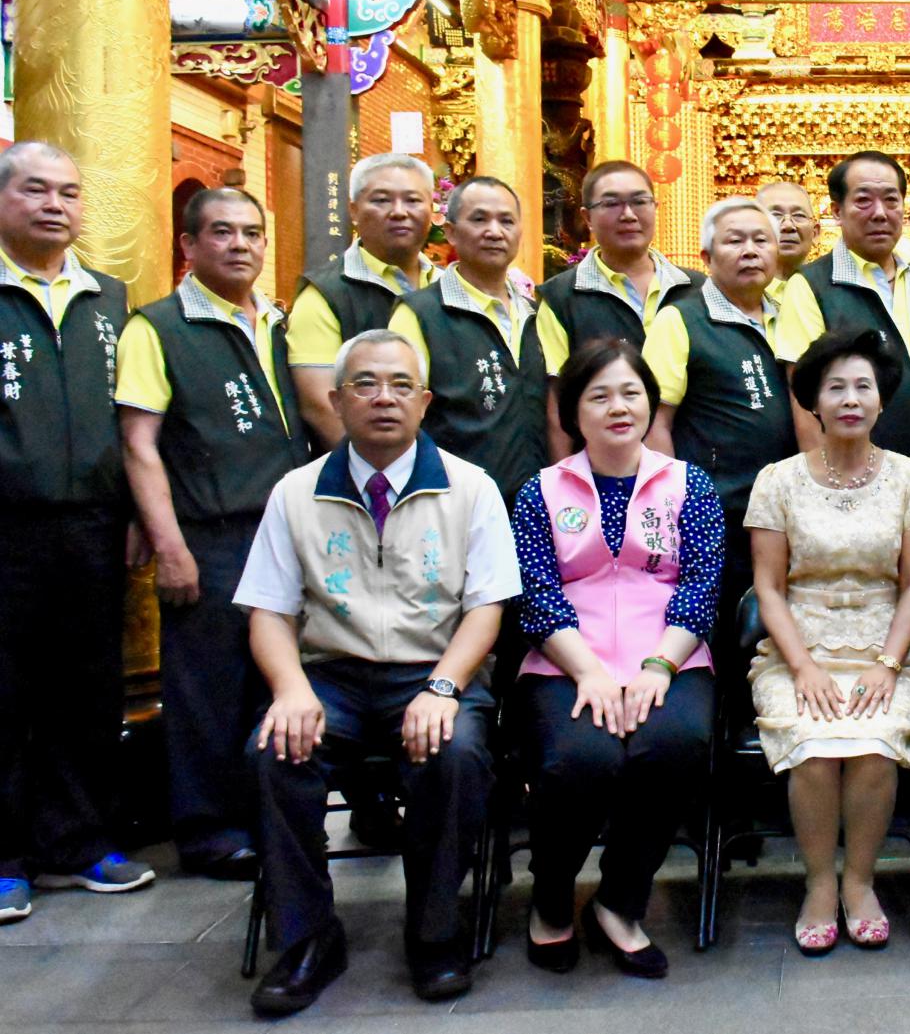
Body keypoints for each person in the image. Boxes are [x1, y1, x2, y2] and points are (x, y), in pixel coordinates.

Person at [236, 330, 519, 1012]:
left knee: (454, 753)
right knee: (271, 752)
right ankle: (306, 937)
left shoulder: (469, 487)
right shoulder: (296, 492)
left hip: (433, 665)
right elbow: (269, 611)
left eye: (400, 384)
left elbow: (487, 608)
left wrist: (444, 686)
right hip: (331, 672)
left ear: (425, 400)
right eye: (364, 383)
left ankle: (434, 932)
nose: (383, 398)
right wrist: (292, 688)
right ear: (336, 399)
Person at [513, 338, 723, 977]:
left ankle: (619, 901)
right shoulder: (540, 491)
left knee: (676, 742)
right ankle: (550, 899)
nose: (618, 407)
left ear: (651, 404)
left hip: (671, 653)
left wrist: (659, 666)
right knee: (583, 758)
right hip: (566, 659)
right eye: (599, 395)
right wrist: (591, 674)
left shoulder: (688, 483)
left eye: (631, 392)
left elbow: (703, 581)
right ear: (573, 412)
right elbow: (538, 592)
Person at [117, 187, 308, 881]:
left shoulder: (280, 324)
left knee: (274, 680)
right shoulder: (157, 328)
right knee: (207, 689)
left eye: (252, 232)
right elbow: (140, 443)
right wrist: (168, 544)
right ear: (189, 247)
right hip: (210, 533)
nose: (240, 244)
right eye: (221, 232)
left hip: (283, 529)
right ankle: (208, 829)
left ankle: (267, 816)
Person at [746, 329, 910, 954]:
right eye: (836, 388)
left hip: (888, 650)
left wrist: (889, 664)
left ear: (882, 399)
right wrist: (801, 667)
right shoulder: (777, 480)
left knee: (876, 744)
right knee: (814, 746)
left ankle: (859, 882)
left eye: (863, 387)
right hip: (798, 651)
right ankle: (819, 884)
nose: (851, 399)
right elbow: (769, 589)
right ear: (813, 402)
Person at [0, 142, 151, 926]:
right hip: (8, 524)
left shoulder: (110, 299)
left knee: (86, 686)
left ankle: (80, 841)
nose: (55, 204)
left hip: (91, 524)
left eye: (68, 192)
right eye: (35, 189)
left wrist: (129, 514)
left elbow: (130, 424)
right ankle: (5, 857)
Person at [642, 198, 797, 618]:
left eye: (761, 240)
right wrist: (674, 506)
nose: (750, 250)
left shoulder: (789, 316)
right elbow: (656, 422)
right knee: (721, 621)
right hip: (715, 509)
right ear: (706, 257)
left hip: (785, 507)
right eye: (735, 241)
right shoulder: (680, 320)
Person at [773, 152, 910, 482]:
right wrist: (829, 489)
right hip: (852, 481)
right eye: (864, 201)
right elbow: (804, 401)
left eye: (891, 200)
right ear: (837, 211)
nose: (880, 213)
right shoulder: (812, 285)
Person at [388, 176, 547, 504]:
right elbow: (399, 413)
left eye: (506, 221)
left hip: (537, 508)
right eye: (479, 219)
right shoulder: (420, 314)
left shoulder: (538, 314)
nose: (494, 231)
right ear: (450, 232)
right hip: (454, 504)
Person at [537, 161, 703, 447]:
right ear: (587, 217)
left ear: (655, 207)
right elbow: (557, 405)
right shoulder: (561, 297)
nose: (628, 214)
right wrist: (565, 484)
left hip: (691, 465)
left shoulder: (697, 289)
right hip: (600, 471)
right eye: (611, 203)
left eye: (639, 201)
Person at [286, 153, 439, 447]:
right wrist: (388, 472)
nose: (398, 212)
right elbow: (321, 406)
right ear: (354, 211)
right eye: (381, 200)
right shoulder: (325, 294)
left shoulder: (448, 287)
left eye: (413, 200)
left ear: (431, 210)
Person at [757, 179, 819, 308]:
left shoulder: (830, 293)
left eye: (798, 215)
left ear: (815, 233)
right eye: (775, 215)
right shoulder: (737, 294)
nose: (788, 225)